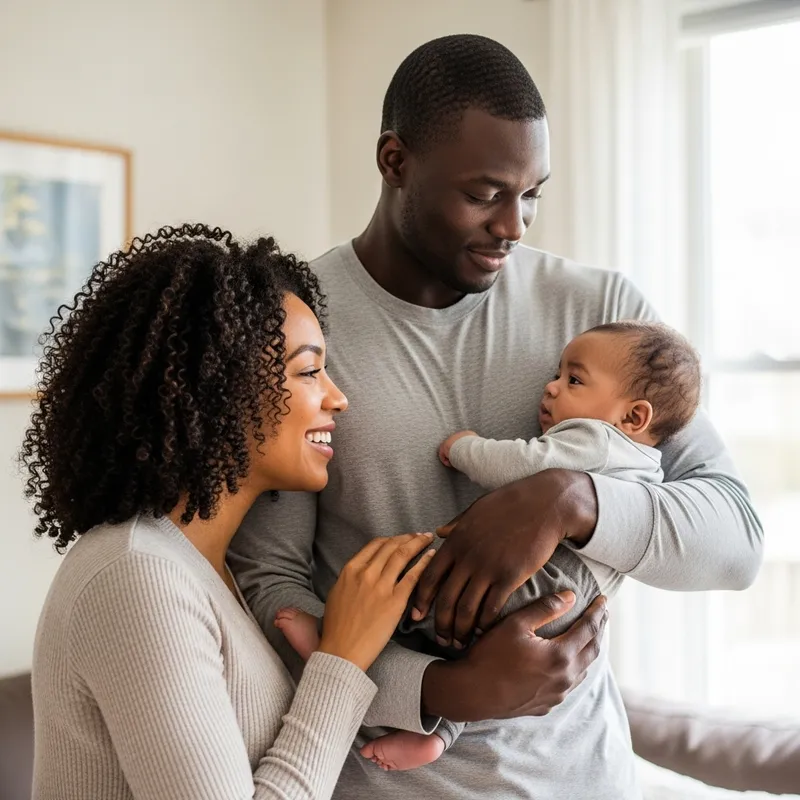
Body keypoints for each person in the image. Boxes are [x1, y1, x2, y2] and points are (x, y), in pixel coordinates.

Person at [229, 35, 763, 799]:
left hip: (589, 781)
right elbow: (271, 586)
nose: (515, 225)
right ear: (395, 161)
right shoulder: (297, 326)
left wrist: (567, 500)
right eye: (485, 194)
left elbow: (734, 538)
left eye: (533, 192)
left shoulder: (603, 317)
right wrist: (445, 689)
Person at [22, 223, 440, 800]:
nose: (337, 397)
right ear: (217, 384)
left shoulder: (199, 566)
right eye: (309, 370)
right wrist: (342, 658)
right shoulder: (136, 574)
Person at [275, 320, 703, 770]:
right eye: (558, 374)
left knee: (414, 576)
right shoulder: (648, 471)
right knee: (477, 662)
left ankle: (333, 640)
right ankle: (438, 736)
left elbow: (523, 463)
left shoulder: (597, 441)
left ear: (633, 417)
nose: (552, 387)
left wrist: (465, 448)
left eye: (573, 380)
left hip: (544, 580)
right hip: (569, 607)